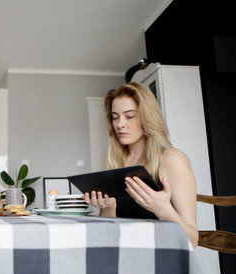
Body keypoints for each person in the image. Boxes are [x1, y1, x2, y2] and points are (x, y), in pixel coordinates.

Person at [84, 82, 198, 247]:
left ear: (147, 117)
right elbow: (107, 233)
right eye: (115, 117)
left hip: (163, 256)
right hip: (127, 252)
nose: (119, 124)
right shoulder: (113, 161)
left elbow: (192, 241)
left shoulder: (172, 160)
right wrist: (108, 206)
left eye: (129, 116)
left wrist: (163, 209)